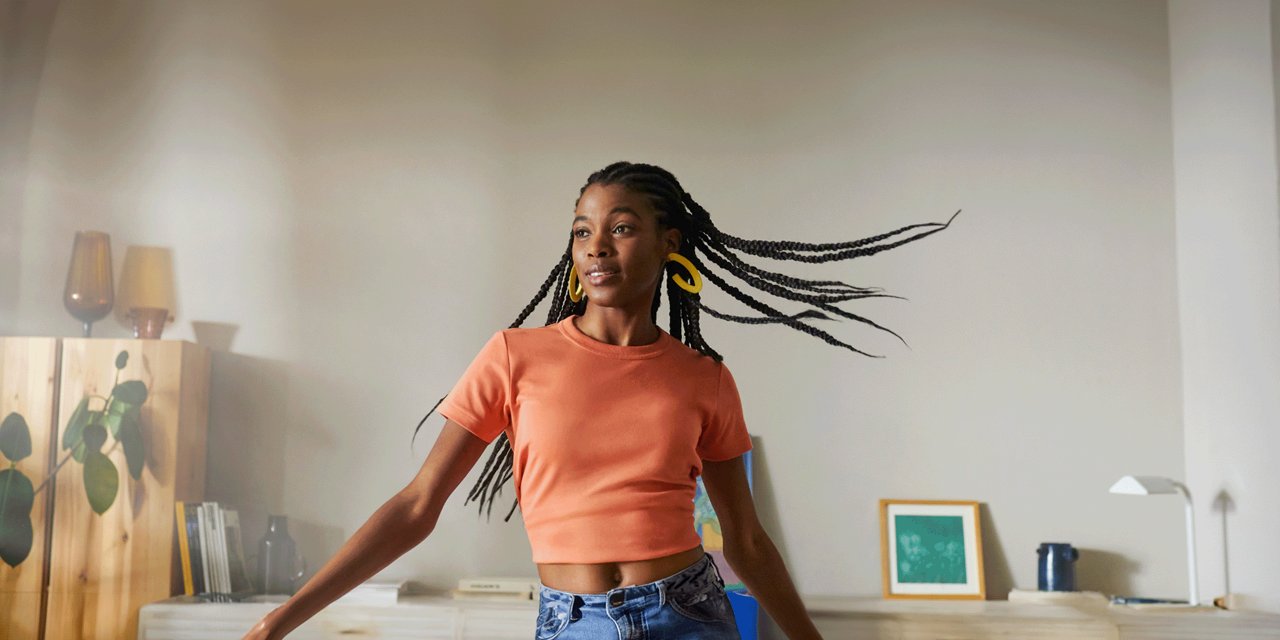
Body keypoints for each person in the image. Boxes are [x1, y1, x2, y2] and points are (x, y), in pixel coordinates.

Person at [243, 161, 954, 640]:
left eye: (620, 227)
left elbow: (747, 540)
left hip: (688, 613)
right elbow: (415, 506)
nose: (596, 247)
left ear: (669, 244)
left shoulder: (703, 377)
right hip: (567, 621)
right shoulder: (515, 357)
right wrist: (281, 620)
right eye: (583, 231)